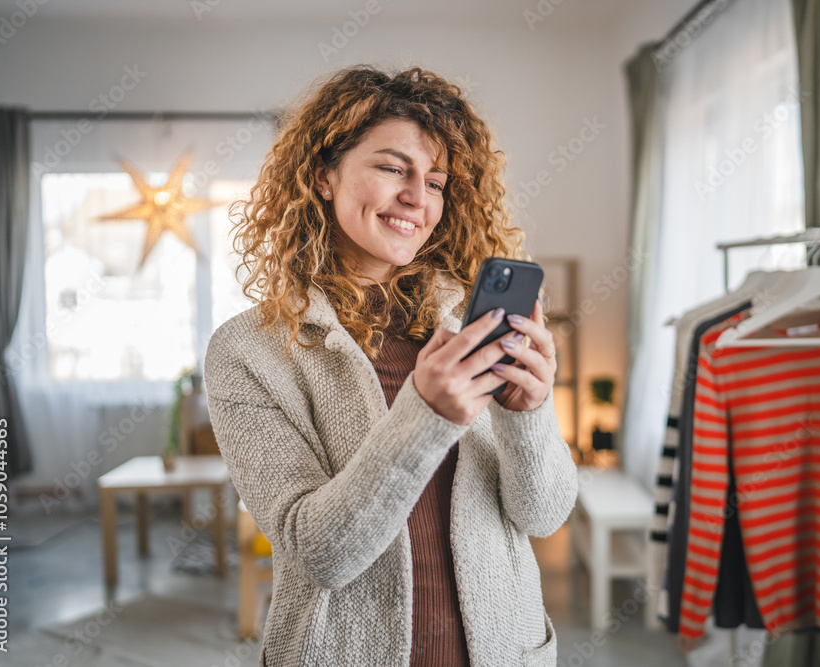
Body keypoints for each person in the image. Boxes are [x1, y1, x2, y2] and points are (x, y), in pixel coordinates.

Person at [203, 65, 577, 667]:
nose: (417, 198)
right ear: (323, 175)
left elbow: (544, 514)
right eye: (391, 167)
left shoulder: (469, 319)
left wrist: (528, 415)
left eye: (436, 180)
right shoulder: (251, 351)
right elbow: (318, 554)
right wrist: (426, 416)